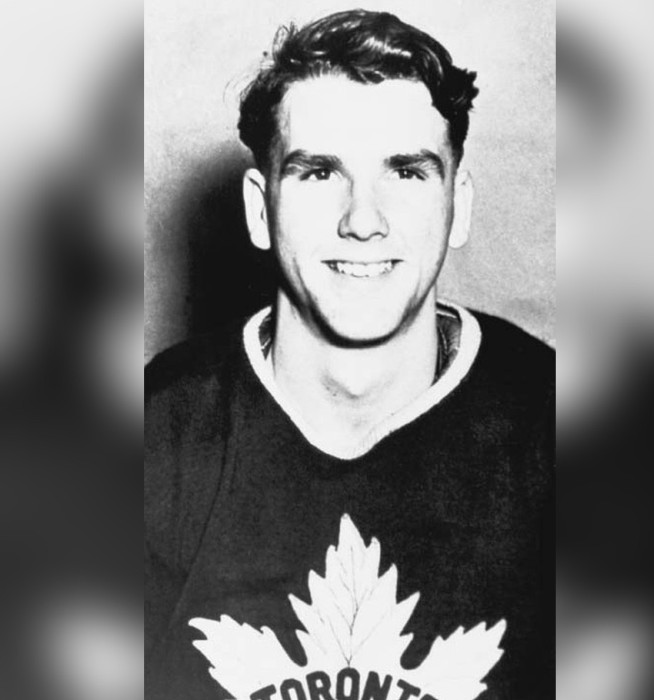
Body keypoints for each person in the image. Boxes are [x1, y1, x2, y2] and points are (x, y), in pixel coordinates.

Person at [146, 10, 553, 700]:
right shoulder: (154, 435)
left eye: (407, 172)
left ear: (458, 205)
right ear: (260, 209)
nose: (363, 219)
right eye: (318, 173)